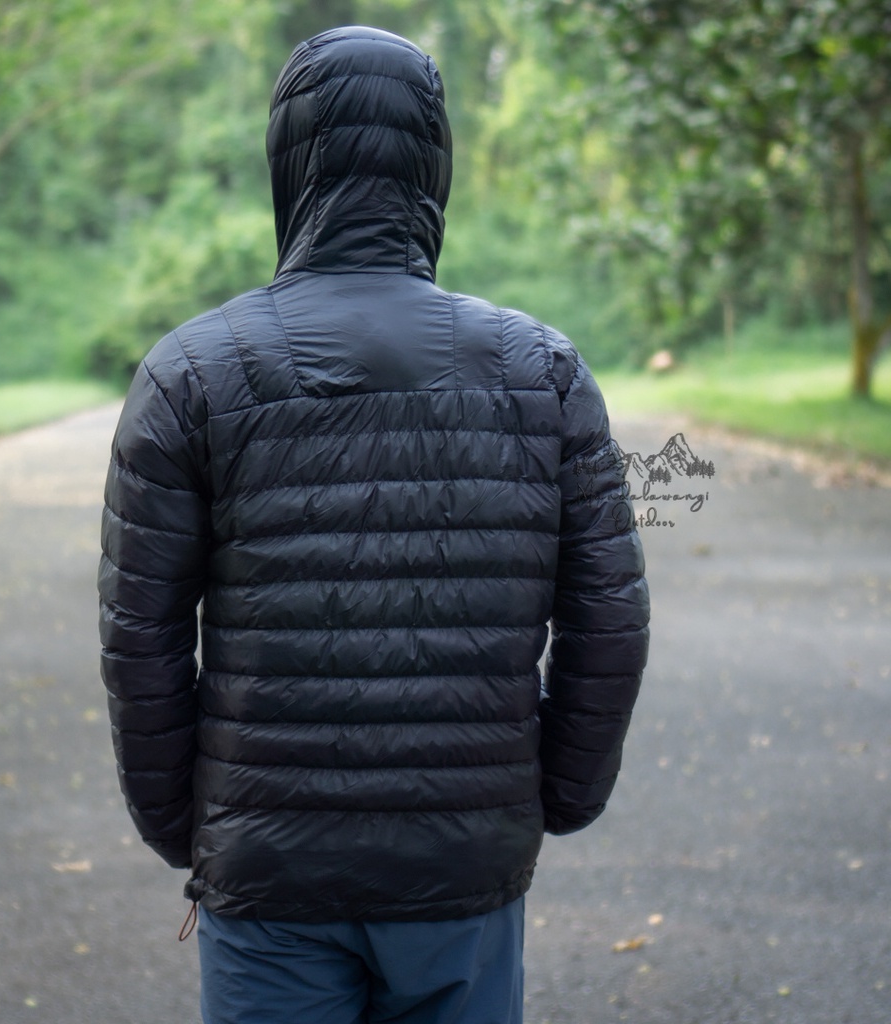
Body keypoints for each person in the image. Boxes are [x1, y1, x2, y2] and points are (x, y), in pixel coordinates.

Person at [98, 25, 649, 1024]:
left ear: (287, 160)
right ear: (434, 163)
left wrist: (187, 823)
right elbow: (608, 616)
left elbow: (141, 636)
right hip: (464, 863)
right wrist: (556, 797)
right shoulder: (544, 372)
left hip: (268, 873)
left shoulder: (189, 375)